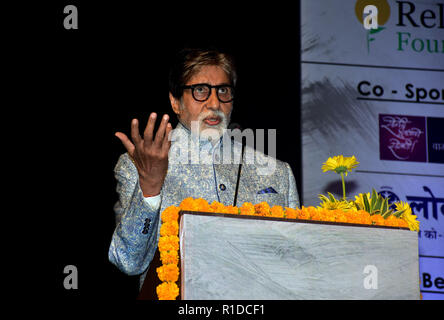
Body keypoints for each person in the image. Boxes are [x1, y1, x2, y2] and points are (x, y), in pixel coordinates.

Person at [108, 47, 300, 290]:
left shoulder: (277, 173)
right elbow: (128, 261)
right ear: (175, 102)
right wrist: (150, 189)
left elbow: (296, 263)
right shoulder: (137, 165)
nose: (214, 102)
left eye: (223, 90)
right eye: (200, 90)